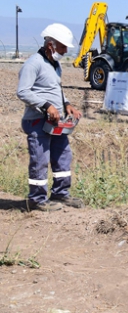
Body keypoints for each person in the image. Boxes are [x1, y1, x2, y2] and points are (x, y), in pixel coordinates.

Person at [16, 23, 84, 212]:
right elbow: (22, 91)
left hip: (55, 122)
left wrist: (67, 104)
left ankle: (61, 194)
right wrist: (46, 106)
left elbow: (56, 90)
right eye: (62, 47)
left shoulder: (55, 65)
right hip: (37, 121)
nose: (64, 51)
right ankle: (36, 200)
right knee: (40, 158)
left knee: (63, 155)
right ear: (50, 45)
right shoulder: (33, 64)